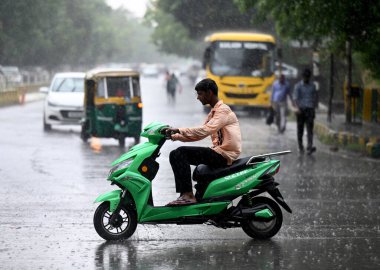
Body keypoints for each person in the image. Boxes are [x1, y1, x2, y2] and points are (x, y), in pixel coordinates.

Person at [164, 78, 242, 206]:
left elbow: (204, 131)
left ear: (209, 93)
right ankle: (185, 194)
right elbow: (197, 135)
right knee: (175, 154)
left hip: (223, 155)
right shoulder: (214, 113)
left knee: (179, 154)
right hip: (218, 153)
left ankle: (188, 195)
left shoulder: (223, 111)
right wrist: (174, 136)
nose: (198, 98)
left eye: (200, 94)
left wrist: (178, 129)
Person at [293, 68, 319, 155]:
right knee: (300, 129)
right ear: (302, 77)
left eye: (307, 77)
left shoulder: (313, 86)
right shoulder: (298, 86)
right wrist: (297, 108)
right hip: (301, 110)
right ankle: (300, 145)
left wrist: (314, 107)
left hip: (310, 110)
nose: (306, 79)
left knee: (310, 129)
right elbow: (295, 99)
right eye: (305, 77)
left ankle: (309, 146)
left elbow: (315, 97)